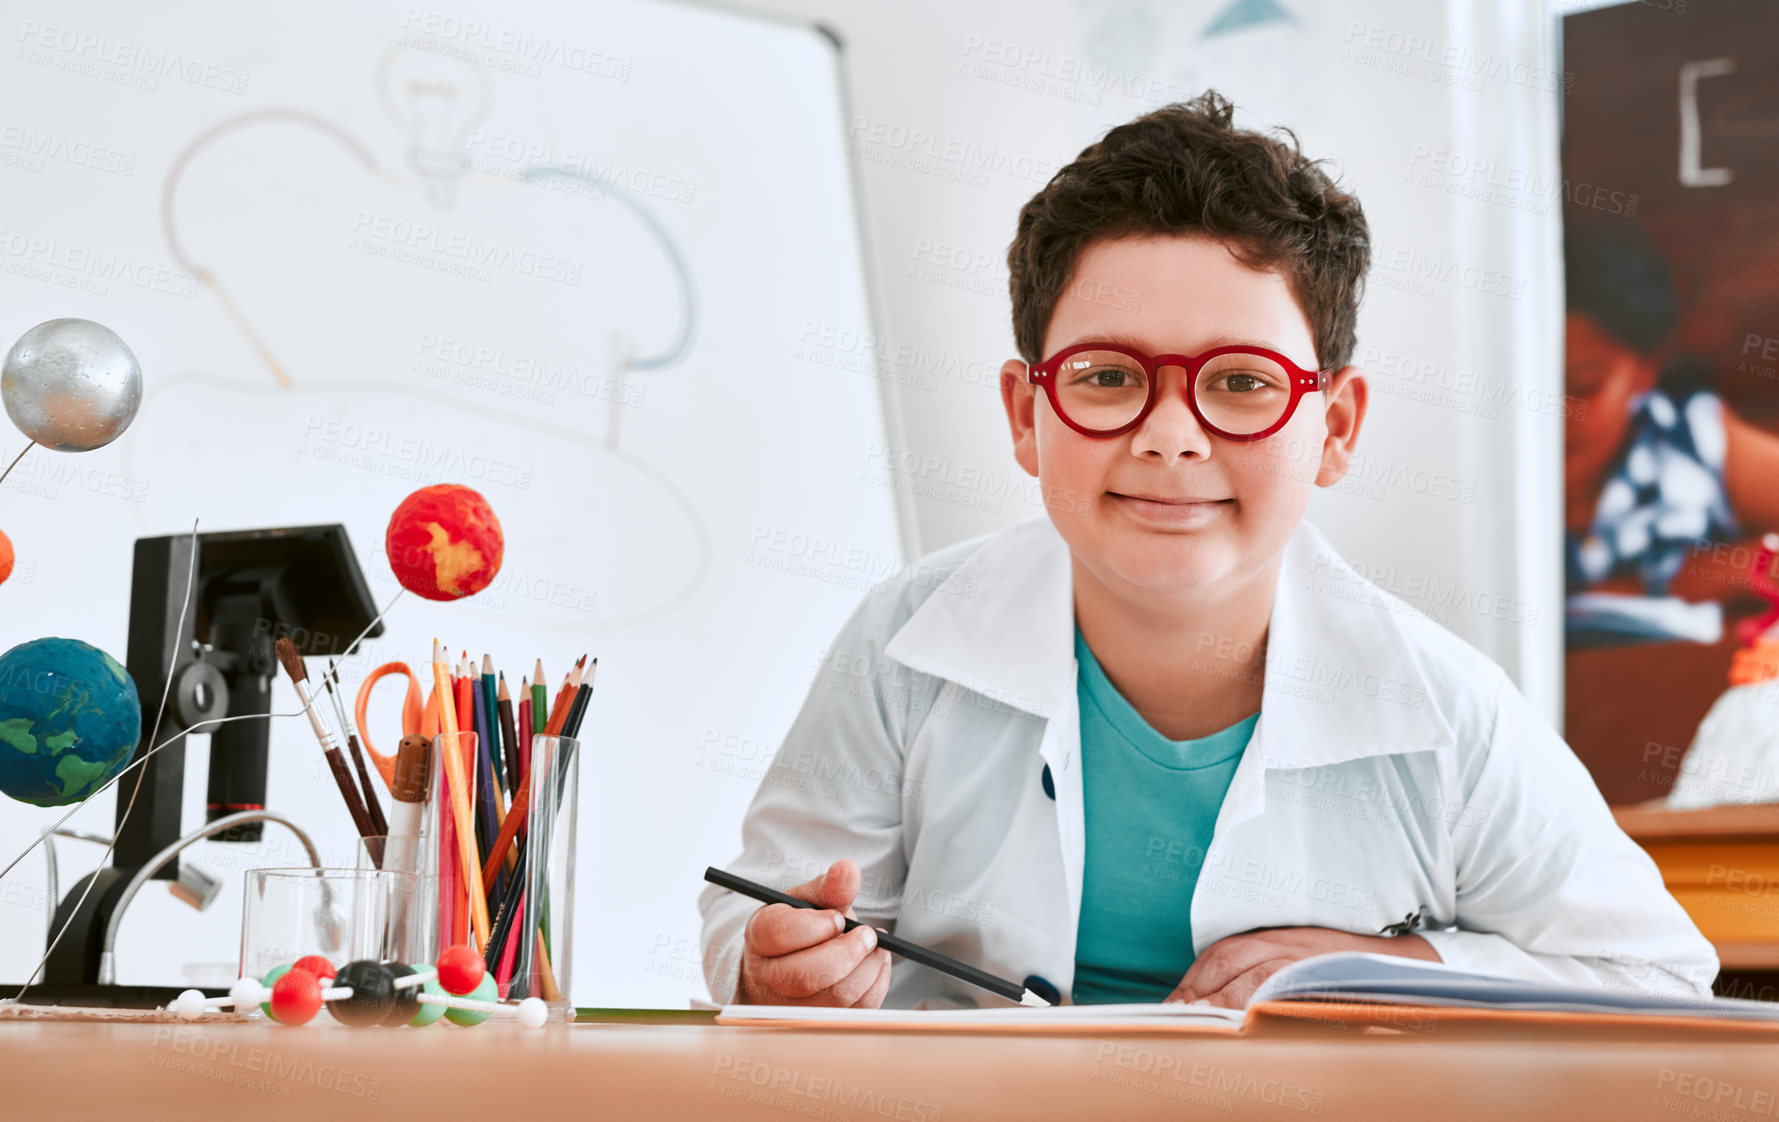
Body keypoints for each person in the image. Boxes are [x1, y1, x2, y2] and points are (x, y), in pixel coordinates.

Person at [698, 91, 1717, 1009]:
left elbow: (1656, 976)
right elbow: (756, 925)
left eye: (1240, 383)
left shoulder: (1444, 709)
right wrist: (773, 964)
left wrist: (1385, 971)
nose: (1171, 435)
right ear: (1025, 414)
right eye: (1106, 377)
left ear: (1337, 427)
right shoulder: (903, 641)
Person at [1564, 218, 1779, 606]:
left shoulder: (1690, 437)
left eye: (1583, 385)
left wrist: (1712, 575)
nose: (1554, 411)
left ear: (1645, 371)